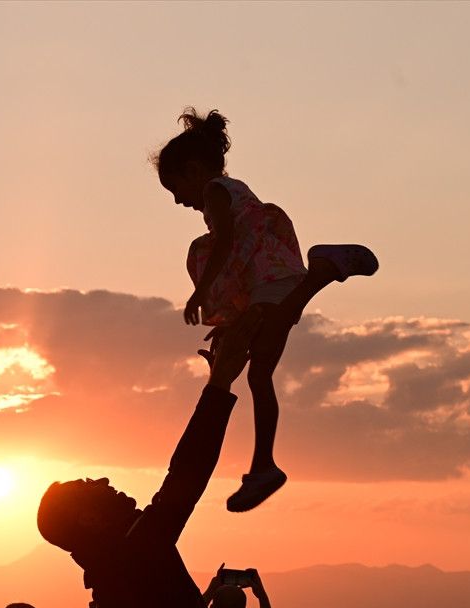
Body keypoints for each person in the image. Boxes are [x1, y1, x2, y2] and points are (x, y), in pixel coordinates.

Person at [36, 315, 260, 608]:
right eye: (88, 488)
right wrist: (220, 383)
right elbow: (184, 480)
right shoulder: (132, 557)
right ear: (89, 522)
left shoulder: (119, 567)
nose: (103, 482)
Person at [154, 107, 378, 512]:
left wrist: (200, 293)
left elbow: (224, 245)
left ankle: (324, 271)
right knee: (259, 373)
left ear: (191, 170)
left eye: (175, 189)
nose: (178, 201)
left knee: (262, 356)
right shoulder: (228, 191)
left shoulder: (216, 192)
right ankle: (263, 466)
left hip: (271, 281)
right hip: (271, 282)